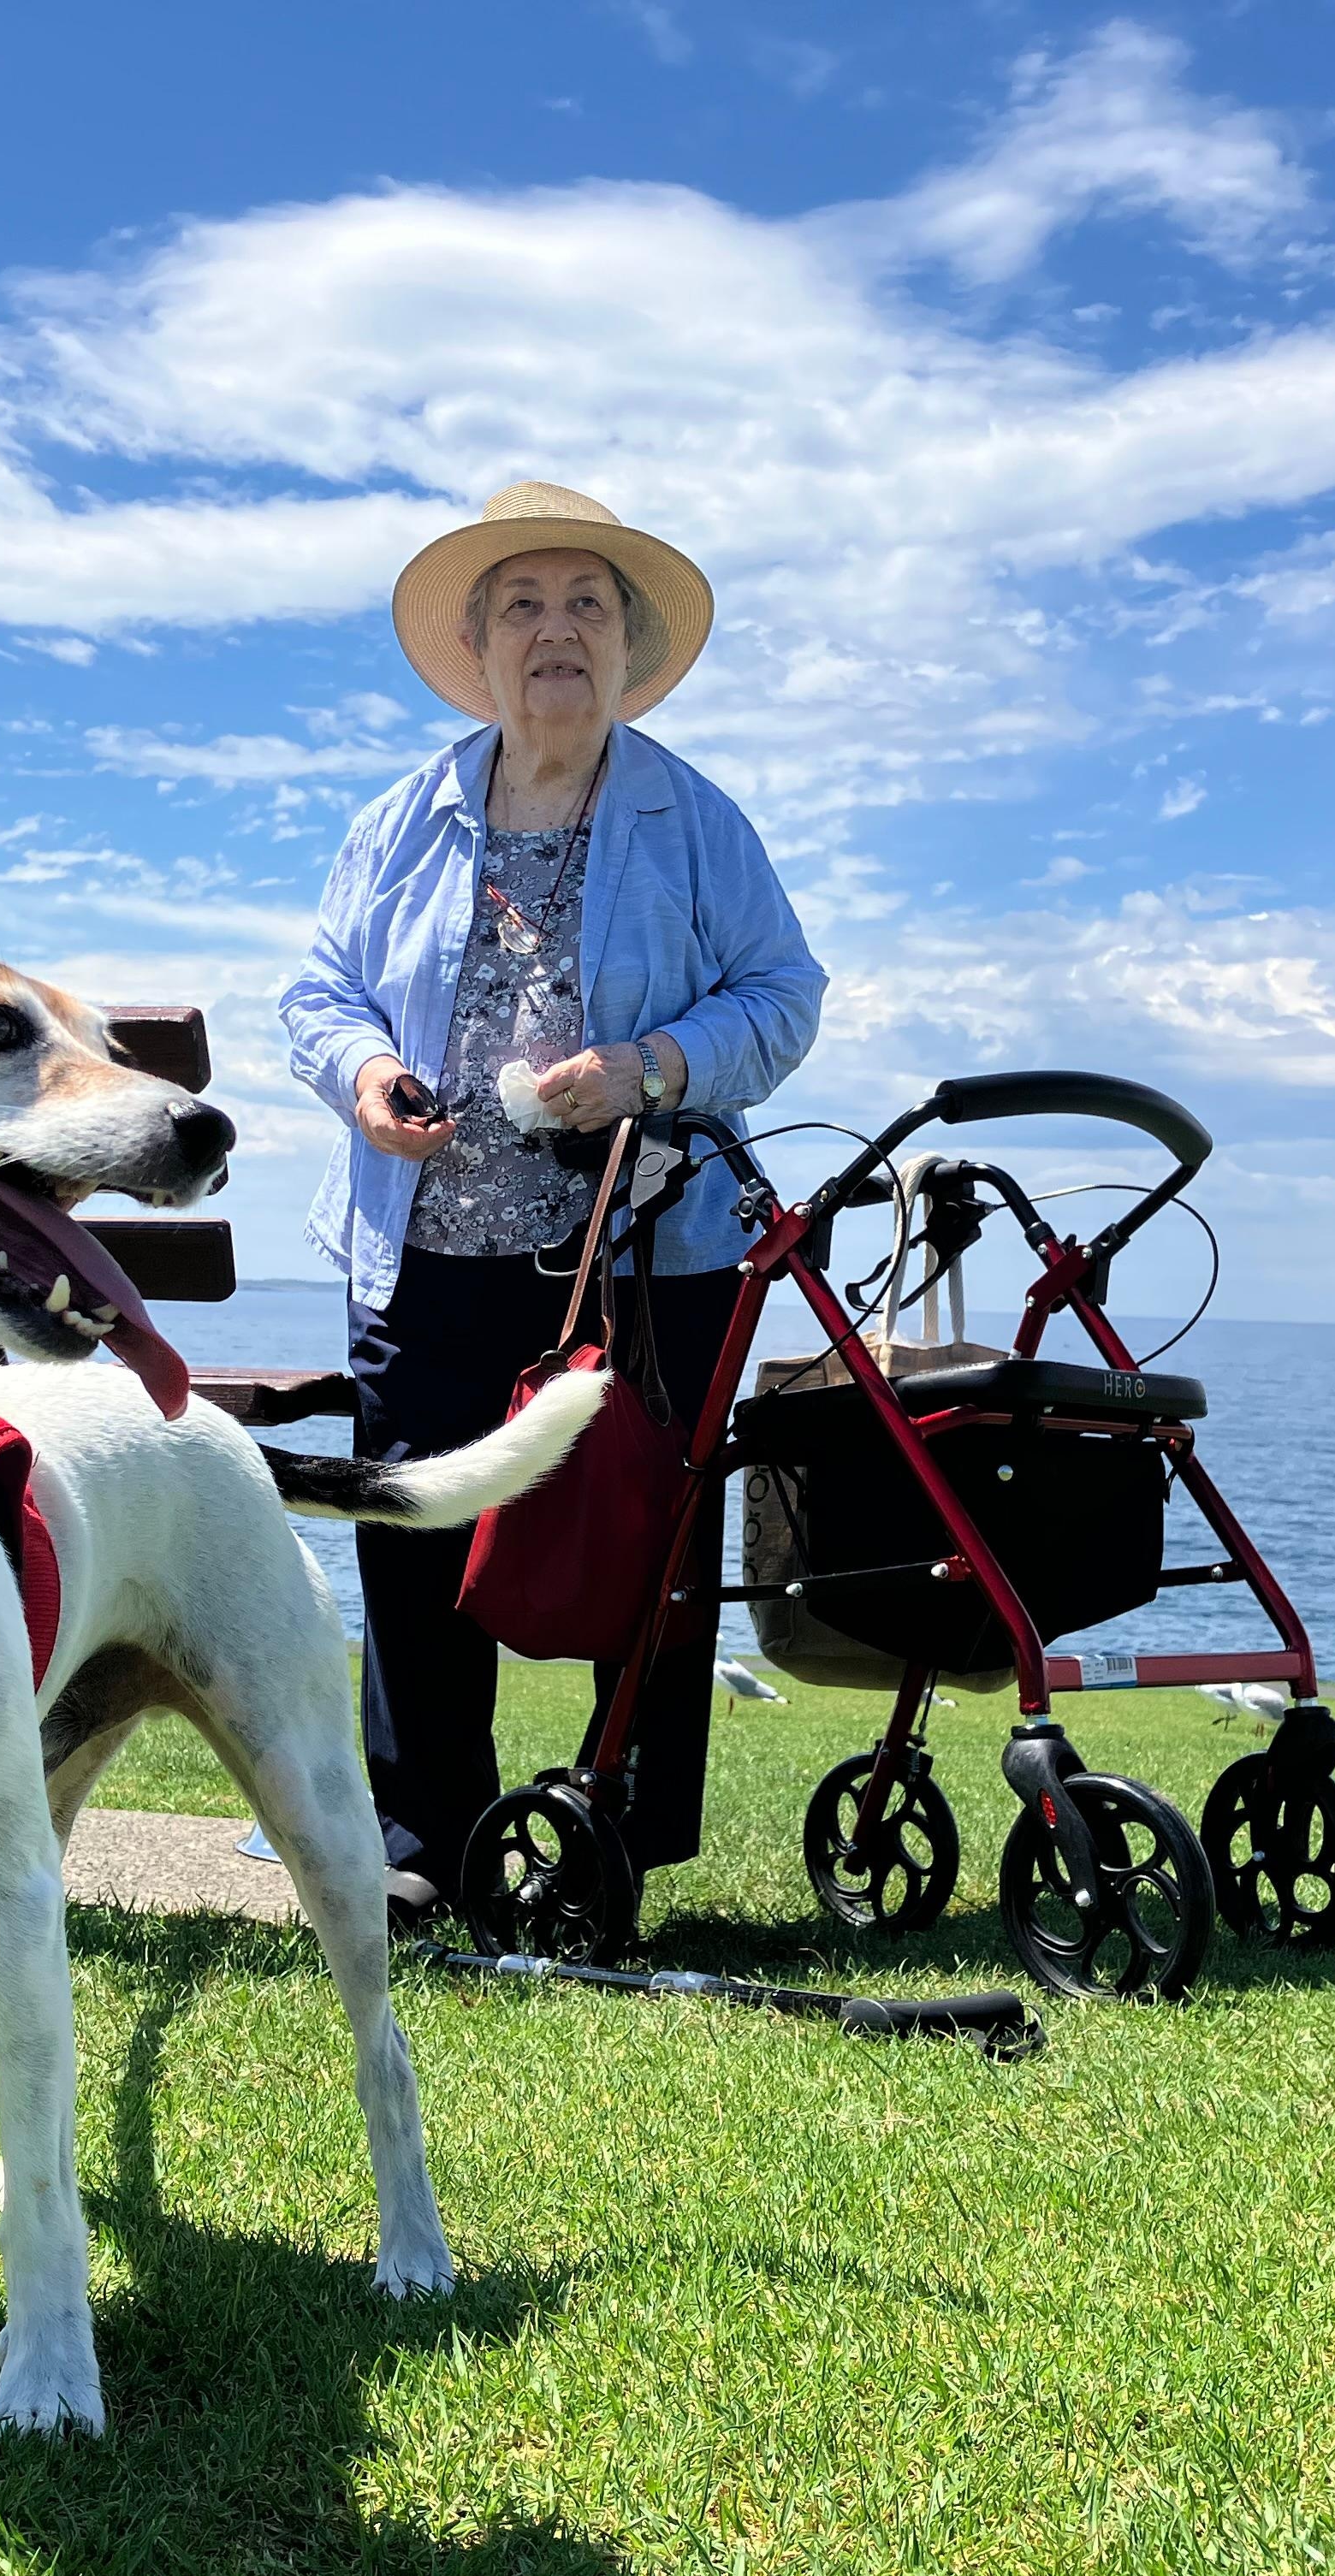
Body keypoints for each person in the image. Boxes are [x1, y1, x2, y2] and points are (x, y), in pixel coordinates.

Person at [279, 482, 826, 1928]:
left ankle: (613, 1841)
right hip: (423, 1246)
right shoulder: (400, 817)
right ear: (480, 644)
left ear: (630, 643)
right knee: (409, 1537)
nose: (555, 630)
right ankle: (421, 1839)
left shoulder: (697, 821)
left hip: (641, 1253)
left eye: (587, 601)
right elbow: (314, 990)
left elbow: (784, 998)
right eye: (522, 603)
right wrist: (367, 1071)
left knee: (642, 1544)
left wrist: (651, 1064)